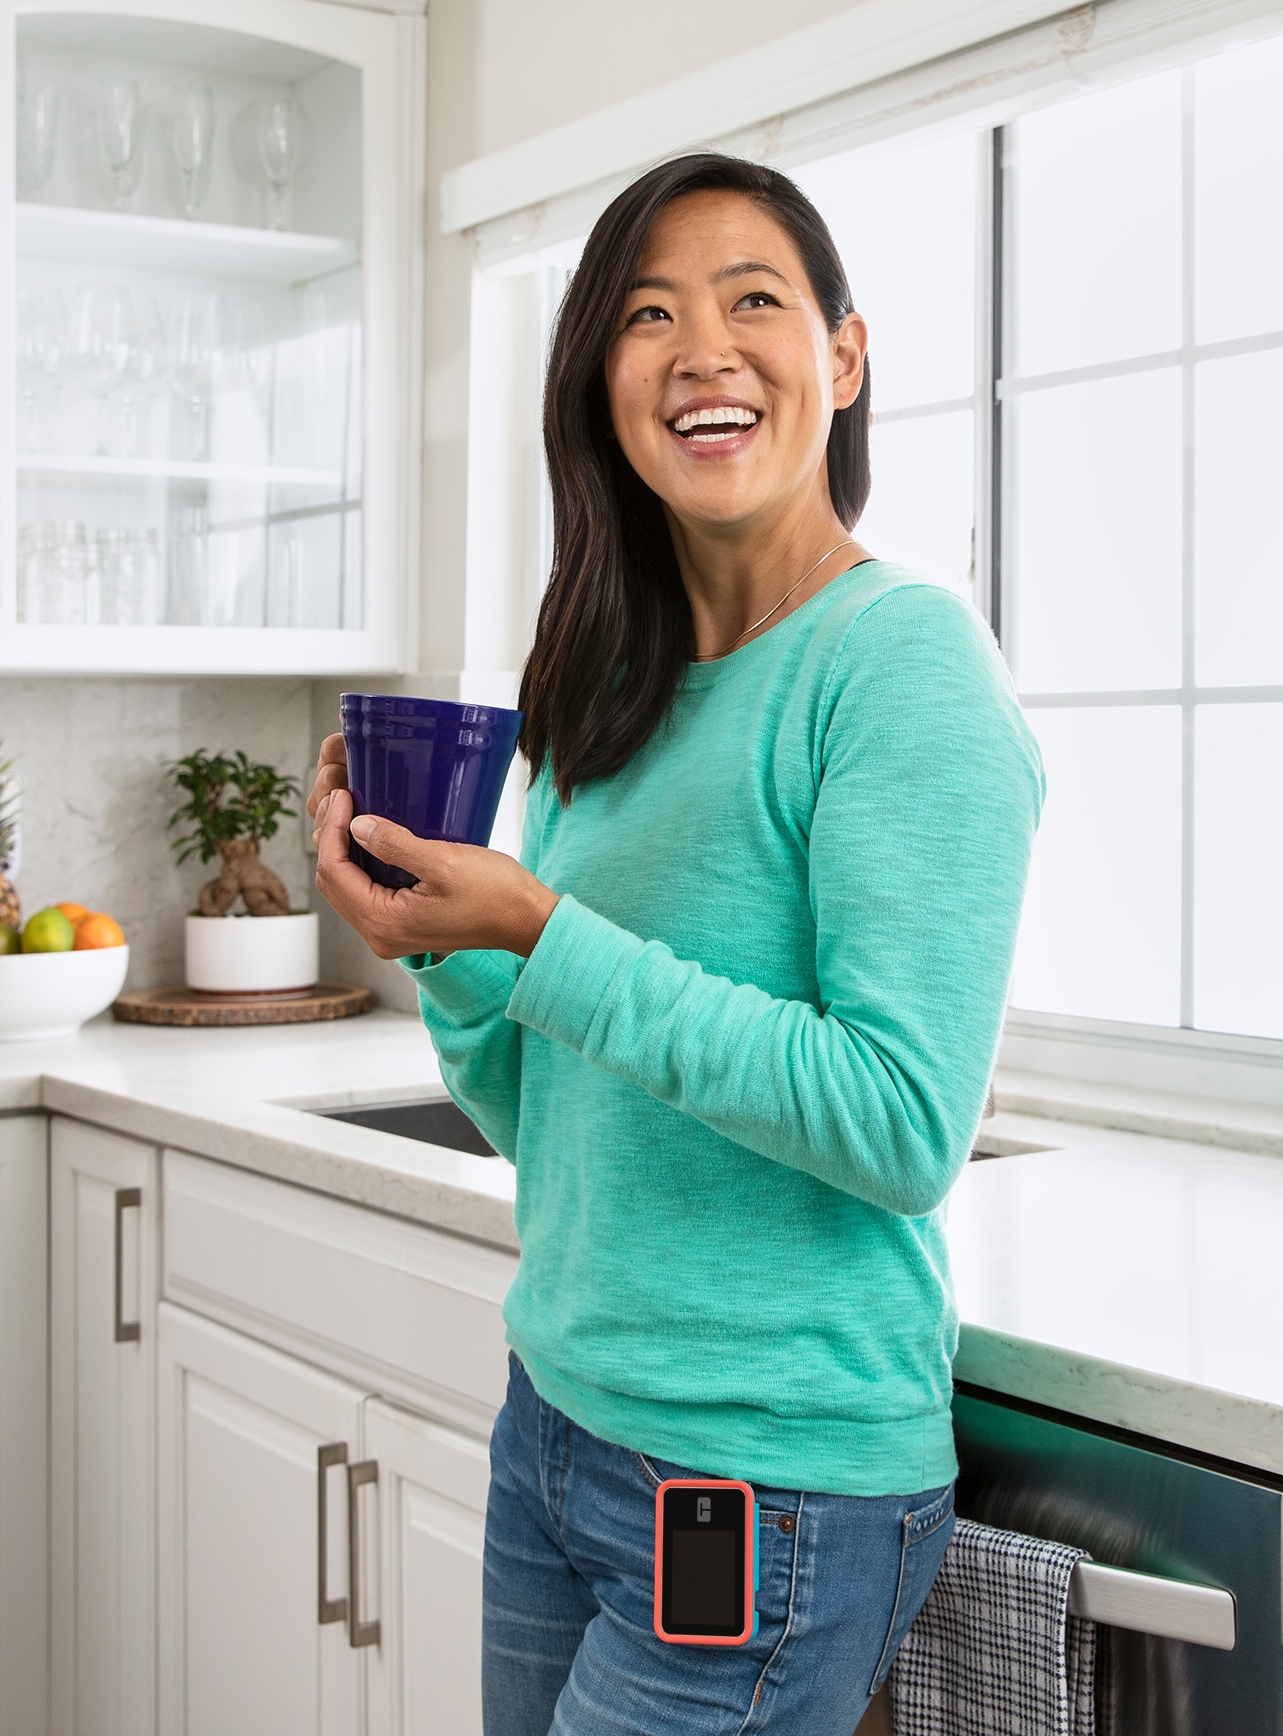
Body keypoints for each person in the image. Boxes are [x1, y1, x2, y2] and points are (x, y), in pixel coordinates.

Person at [309, 152, 1043, 1736]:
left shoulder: (899, 666)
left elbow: (904, 1123)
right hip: (560, 1426)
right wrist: (438, 941)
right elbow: (543, 1113)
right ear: (603, 385)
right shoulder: (601, 688)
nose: (703, 348)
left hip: (768, 1478)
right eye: (650, 315)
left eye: (754, 301)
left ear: (843, 362)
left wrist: (544, 928)